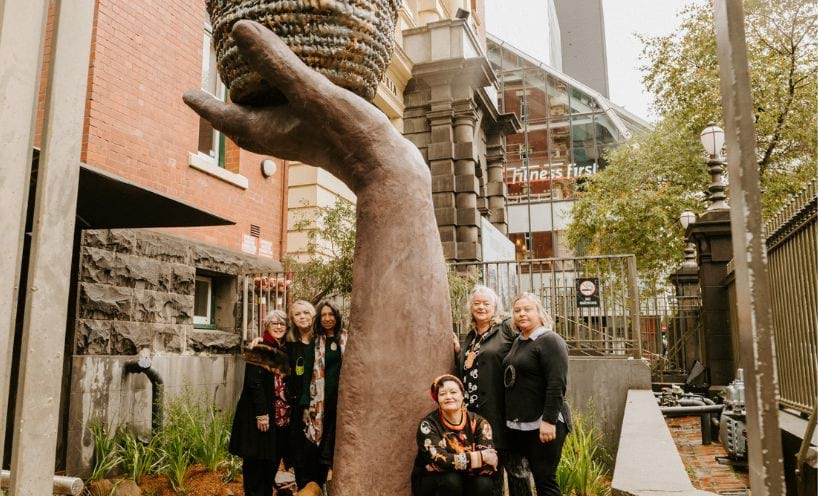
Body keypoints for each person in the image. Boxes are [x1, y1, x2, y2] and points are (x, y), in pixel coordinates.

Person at [455, 286, 531, 496]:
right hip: (479, 417)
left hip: (505, 412)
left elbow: (527, 350)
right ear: (470, 308)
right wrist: (458, 352)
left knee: (517, 470)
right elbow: (468, 369)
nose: (481, 307)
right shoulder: (471, 337)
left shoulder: (506, 327)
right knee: (490, 471)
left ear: (495, 307)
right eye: (477, 303)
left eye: (486, 303)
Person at [502, 293, 572, 496]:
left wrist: (549, 420)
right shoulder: (519, 341)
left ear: (539, 313)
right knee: (519, 479)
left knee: (544, 480)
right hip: (519, 424)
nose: (521, 314)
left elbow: (557, 383)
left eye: (527, 309)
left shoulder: (550, 340)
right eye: (517, 311)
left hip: (544, 424)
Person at [229, 310, 291, 496]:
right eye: (275, 323)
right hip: (260, 417)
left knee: (270, 464)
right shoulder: (259, 348)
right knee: (255, 464)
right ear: (267, 326)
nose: (279, 326)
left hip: (279, 417)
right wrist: (262, 414)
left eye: (282, 324)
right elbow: (253, 383)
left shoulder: (284, 349)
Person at [412, 374, 498, 496]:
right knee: (452, 480)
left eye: (453, 392)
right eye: (442, 394)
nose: (448, 397)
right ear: (437, 399)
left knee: (484, 484)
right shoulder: (428, 425)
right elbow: (440, 461)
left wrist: (452, 461)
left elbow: (488, 466)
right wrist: (480, 457)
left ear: (462, 396)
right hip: (433, 481)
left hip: (468, 479)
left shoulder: (479, 423)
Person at [299, 300, 348, 488]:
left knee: (336, 445)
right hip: (320, 402)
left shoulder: (346, 338)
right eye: (324, 315)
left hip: (341, 402)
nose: (328, 319)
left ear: (337, 316)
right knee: (316, 446)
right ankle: (315, 485)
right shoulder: (316, 341)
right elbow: (308, 373)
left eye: (331, 314)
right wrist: (305, 401)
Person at [286, 300, 316, 488]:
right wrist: (258, 341)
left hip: (317, 403)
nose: (302, 317)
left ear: (313, 315)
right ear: (292, 318)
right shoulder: (289, 342)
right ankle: (302, 486)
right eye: (297, 314)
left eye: (306, 312)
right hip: (294, 405)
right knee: (298, 451)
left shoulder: (320, 340)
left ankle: (316, 487)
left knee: (314, 450)